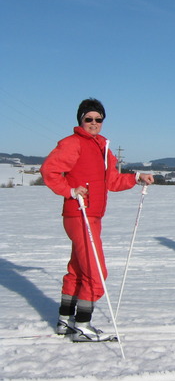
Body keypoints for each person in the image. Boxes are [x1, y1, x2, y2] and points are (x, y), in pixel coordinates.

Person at [41, 98, 154, 342]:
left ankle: (65, 320)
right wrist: (70, 190)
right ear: (80, 120)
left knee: (78, 269)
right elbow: (49, 170)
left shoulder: (103, 147)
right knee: (96, 272)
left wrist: (136, 178)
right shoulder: (73, 143)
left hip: (93, 215)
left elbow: (111, 181)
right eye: (88, 119)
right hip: (79, 213)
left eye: (98, 119)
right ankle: (82, 324)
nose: (93, 123)